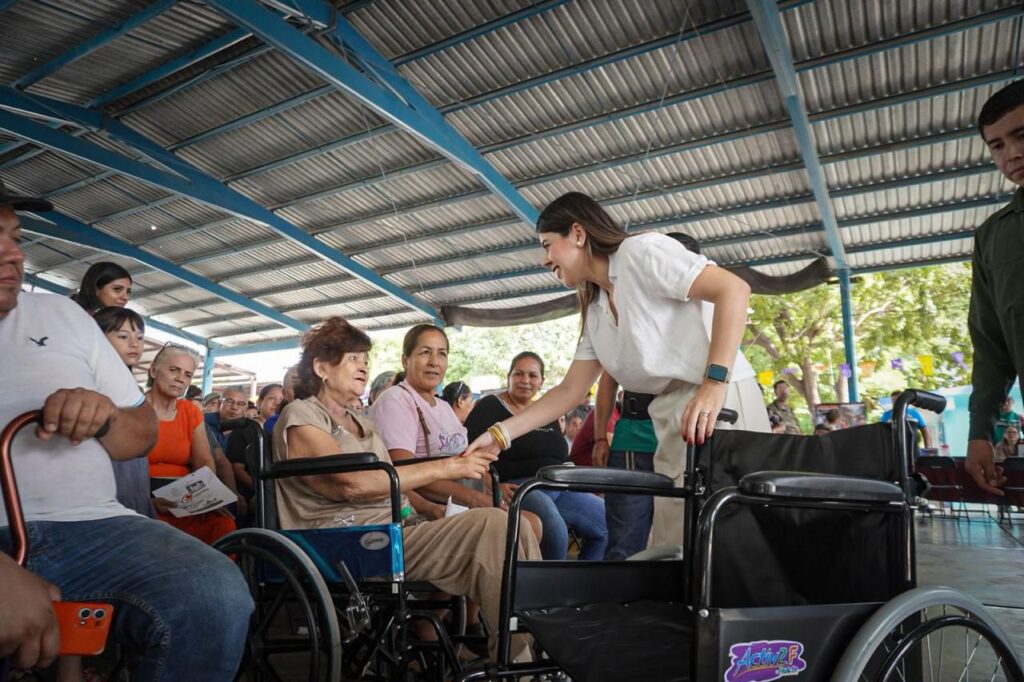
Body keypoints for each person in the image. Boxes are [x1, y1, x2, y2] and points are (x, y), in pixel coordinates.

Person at [0, 178, 251, 678]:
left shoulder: (62, 315)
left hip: (97, 527)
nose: (14, 254)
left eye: (16, 236)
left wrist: (105, 416)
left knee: (214, 592)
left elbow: (141, 432)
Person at [465, 192, 770, 549]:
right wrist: (499, 435)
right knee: (679, 537)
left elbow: (733, 289)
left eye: (548, 245)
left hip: (720, 397)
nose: (545, 259)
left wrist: (714, 383)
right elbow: (570, 391)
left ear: (578, 234)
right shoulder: (595, 306)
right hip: (671, 410)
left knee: (730, 529)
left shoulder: (640, 253)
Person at [272, 317, 540, 659]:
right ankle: (516, 660)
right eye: (352, 358)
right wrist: (448, 467)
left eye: (365, 359)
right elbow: (351, 485)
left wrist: (432, 510)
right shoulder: (302, 416)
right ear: (321, 367)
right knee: (493, 525)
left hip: (392, 529)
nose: (363, 367)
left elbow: (392, 485)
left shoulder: (361, 422)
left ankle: (528, 647)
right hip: (345, 537)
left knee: (517, 525)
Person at [466, 352, 608, 561]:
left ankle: (585, 580)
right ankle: (549, 582)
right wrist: (494, 486)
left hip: (559, 486)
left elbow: (561, 454)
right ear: (508, 377)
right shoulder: (489, 406)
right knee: (556, 532)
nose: (525, 380)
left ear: (541, 381)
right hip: (520, 488)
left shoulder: (545, 410)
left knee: (606, 521)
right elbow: (471, 455)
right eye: (519, 374)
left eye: (532, 376)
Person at [966, 80, 1024, 495]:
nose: (1012, 154)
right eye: (997, 145)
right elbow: (990, 347)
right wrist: (979, 433)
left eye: (1022, 136)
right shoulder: (993, 237)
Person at [369, 325, 491, 518]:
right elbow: (404, 472)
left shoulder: (443, 407)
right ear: (405, 360)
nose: (434, 362)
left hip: (463, 499)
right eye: (425, 352)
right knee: (522, 523)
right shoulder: (397, 400)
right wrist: (474, 498)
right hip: (435, 508)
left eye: (441, 354)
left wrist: (494, 489)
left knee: (530, 513)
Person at [145, 344, 237, 545]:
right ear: (153, 370)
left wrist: (205, 497)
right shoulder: (135, 408)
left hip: (183, 496)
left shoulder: (190, 411)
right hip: (143, 494)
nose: (181, 379)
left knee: (223, 524)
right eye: (174, 370)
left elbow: (204, 460)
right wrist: (147, 502)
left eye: (188, 374)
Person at [92, 306, 153, 518]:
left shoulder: (135, 389)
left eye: (140, 337)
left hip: (134, 477)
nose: (134, 344)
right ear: (97, 338)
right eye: (123, 336)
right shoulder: (92, 386)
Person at [205, 385, 246, 449]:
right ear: (219, 403)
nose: (234, 407)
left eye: (240, 404)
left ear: (246, 409)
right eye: (229, 401)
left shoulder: (249, 430)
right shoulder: (203, 422)